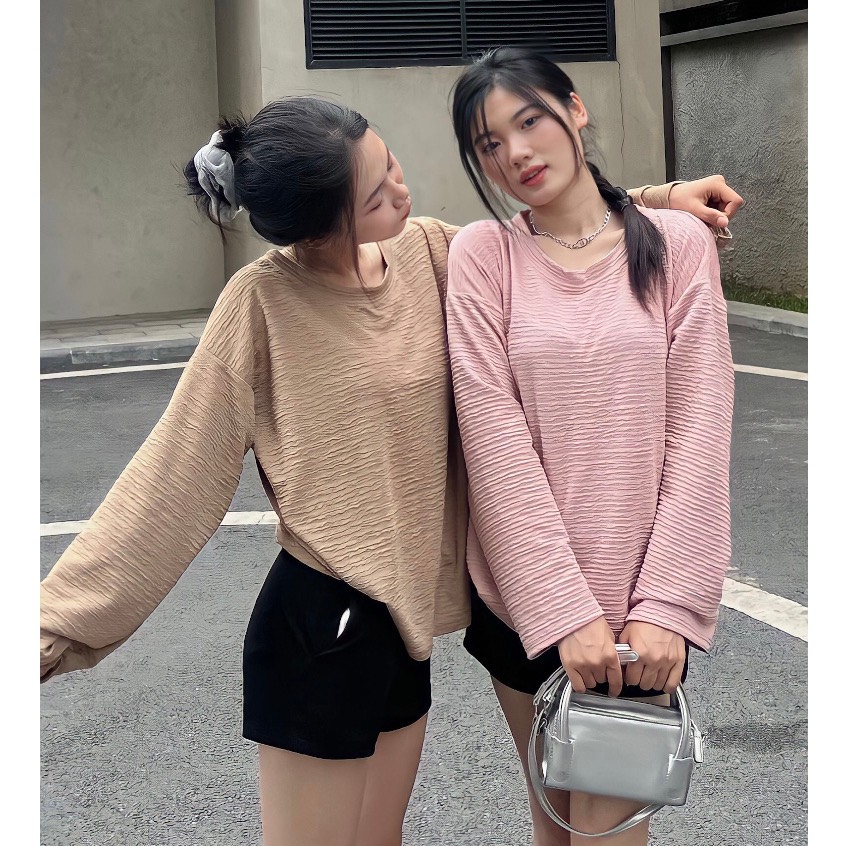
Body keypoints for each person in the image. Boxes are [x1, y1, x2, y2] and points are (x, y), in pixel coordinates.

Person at [40, 94, 741, 846]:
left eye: (391, 165)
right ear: (321, 226)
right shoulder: (262, 304)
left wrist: (657, 199)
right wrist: (52, 628)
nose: (400, 193)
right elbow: (171, 481)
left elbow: (552, 237)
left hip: (400, 635)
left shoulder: (431, 254)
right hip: (320, 624)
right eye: (374, 196)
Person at [445, 47, 735, 845]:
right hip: (525, 607)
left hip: (641, 622)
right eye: (489, 143)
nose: (516, 153)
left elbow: (701, 431)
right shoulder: (483, 255)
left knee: (605, 839)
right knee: (553, 831)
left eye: (529, 121)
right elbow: (494, 441)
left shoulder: (676, 244)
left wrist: (667, 607)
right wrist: (562, 614)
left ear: (574, 110)